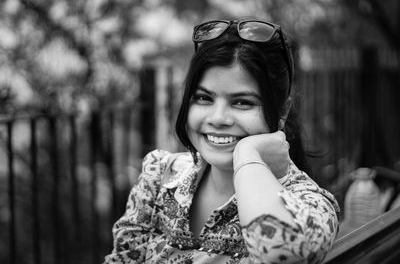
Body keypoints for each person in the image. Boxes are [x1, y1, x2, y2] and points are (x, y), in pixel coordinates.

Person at [104, 19, 340, 264]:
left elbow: (286, 251)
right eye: (204, 98)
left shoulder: (307, 202)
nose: (217, 118)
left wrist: (248, 156)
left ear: (282, 112)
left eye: (242, 102)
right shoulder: (159, 176)